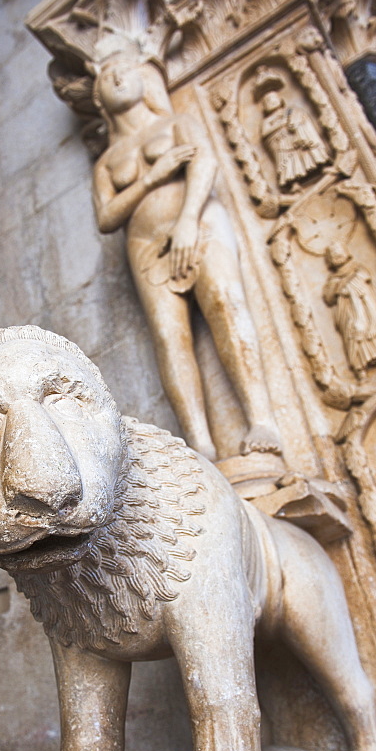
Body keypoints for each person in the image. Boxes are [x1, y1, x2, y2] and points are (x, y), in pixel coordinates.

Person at [91, 52, 281, 460]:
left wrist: (188, 221)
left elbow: (205, 162)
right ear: (99, 101)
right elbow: (107, 217)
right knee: (169, 337)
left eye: (125, 69)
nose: (117, 75)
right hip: (145, 244)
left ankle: (261, 419)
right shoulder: (107, 161)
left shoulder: (175, 123)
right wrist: (151, 179)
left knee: (226, 305)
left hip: (199, 221)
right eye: (107, 75)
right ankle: (200, 446)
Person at [323, 242, 376, 379]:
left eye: (339, 252)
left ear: (346, 253)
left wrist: (347, 283)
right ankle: (361, 374)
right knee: (354, 339)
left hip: (367, 308)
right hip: (349, 314)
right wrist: (340, 286)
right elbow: (328, 297)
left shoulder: (358, 269)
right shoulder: (333, 279)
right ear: (330, 260)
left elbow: (365, 278)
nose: (336, 256)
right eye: (333, 254)